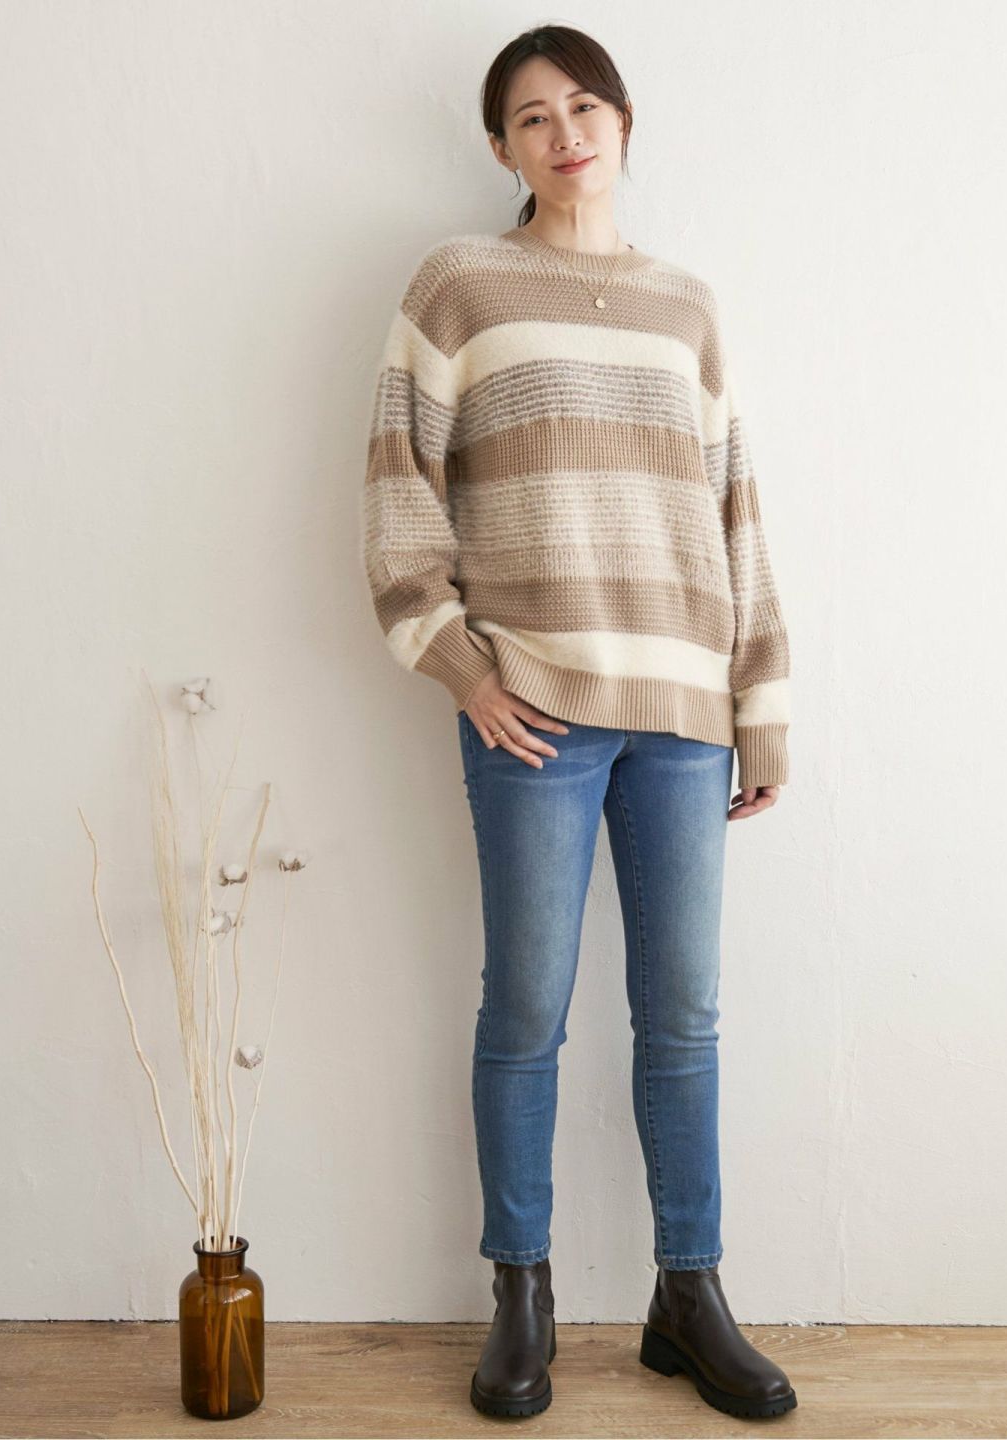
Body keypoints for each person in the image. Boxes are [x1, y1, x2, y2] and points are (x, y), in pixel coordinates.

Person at [360, 22, 796, 1423]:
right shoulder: (459, 285)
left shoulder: (686, 306)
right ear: (501, 146)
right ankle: (522, 1291)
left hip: (681, 711)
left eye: (586, 107)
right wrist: (459, 663)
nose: (565, 133)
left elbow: (735, 508)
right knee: (526, 1011)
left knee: (684, 1018)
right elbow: (397, 482)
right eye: (534, 116)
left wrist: (761, 704)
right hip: (532, 712)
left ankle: (689, 1294)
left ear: (624, 124)